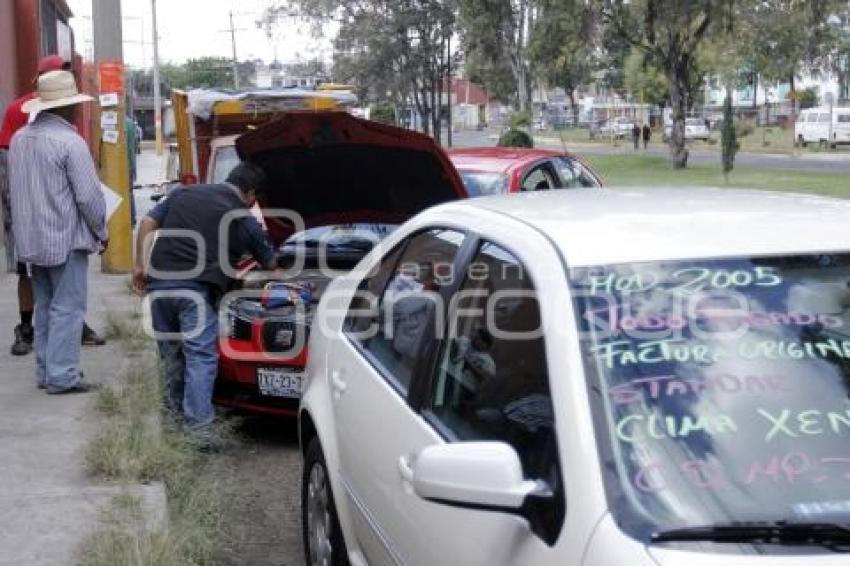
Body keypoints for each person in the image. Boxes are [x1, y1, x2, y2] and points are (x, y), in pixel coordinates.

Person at [133, 162, 278, 444]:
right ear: (250, 194)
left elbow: (148, 222)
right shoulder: (241, 214)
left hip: (160, 285)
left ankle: (173, 421)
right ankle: (199, 430)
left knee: (171, 354)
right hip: (194, 290)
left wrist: (139, 265)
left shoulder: (182, 193)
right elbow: (271, 264)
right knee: (200, 356)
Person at [8, 70, 107, 394]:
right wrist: (100, 231)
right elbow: (89, 197)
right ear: (69, 108)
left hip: (32, 239)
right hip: (65, 237)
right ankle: (63, 375)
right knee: (68, 308)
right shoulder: (70, 142)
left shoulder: (21, 138)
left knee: (47, 307)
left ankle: (46, 371)